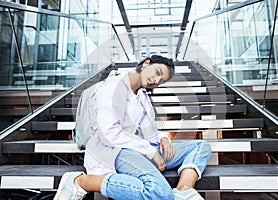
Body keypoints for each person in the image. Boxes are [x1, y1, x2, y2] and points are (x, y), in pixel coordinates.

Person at [54, 55, 212, 200]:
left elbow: (149, 129)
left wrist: (163, 138)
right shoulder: (113, 86)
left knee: (200, 147)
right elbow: (109, 134)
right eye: (157, 72)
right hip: (113, 150)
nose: (156, 81)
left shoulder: (142, 95)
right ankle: (82, 181)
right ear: (146, 63)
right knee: (160, 193)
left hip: (137, 149)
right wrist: (150, 152)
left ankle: (183, 190)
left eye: (161, 81)